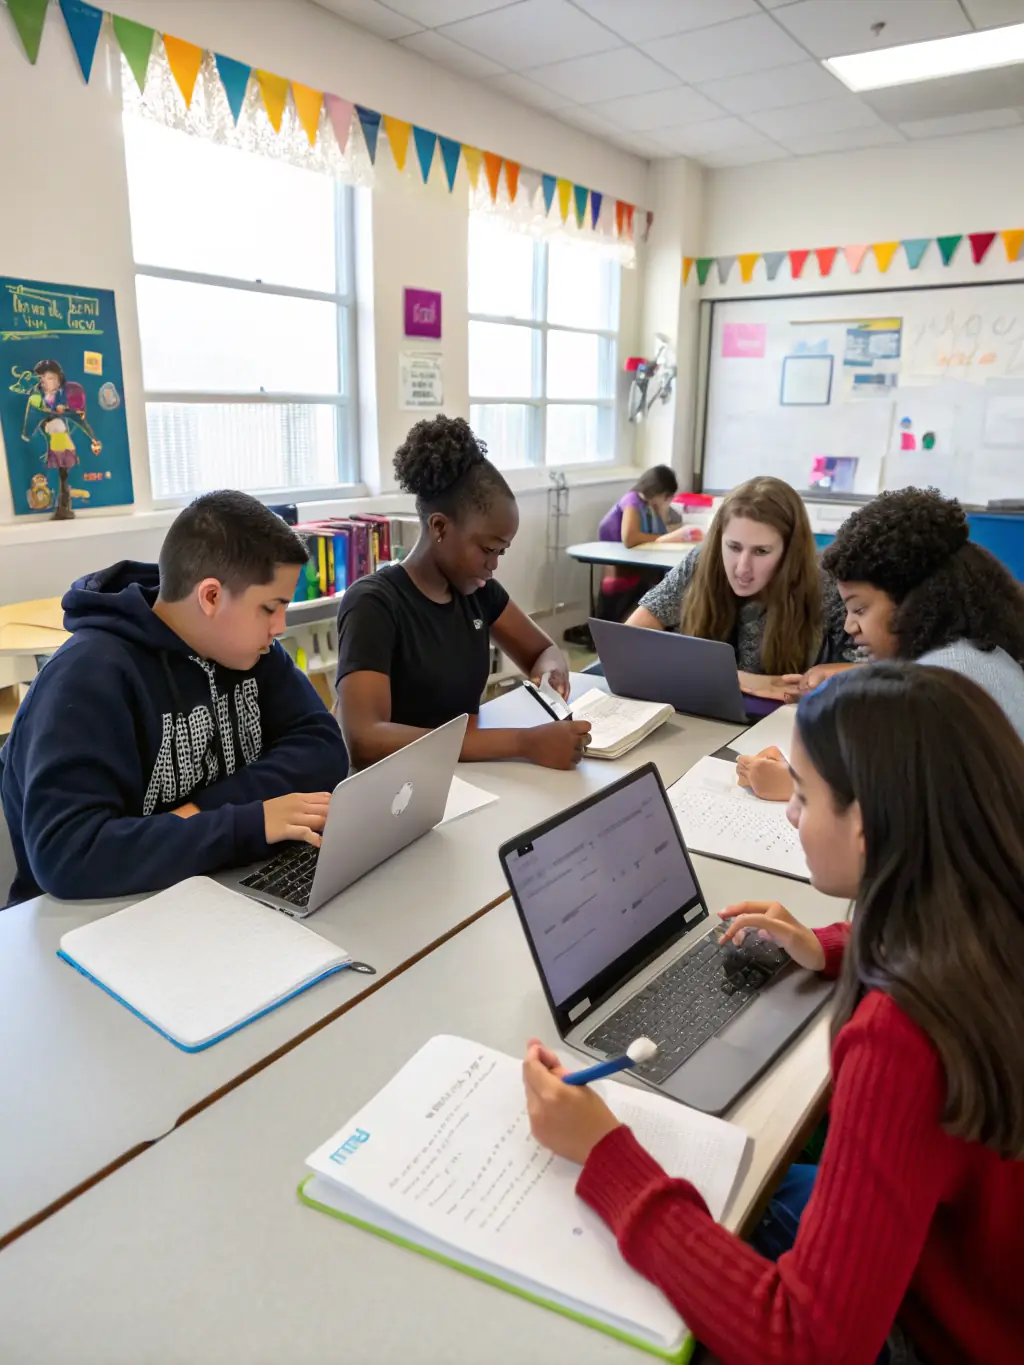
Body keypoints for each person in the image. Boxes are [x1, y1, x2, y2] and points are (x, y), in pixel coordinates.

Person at [524, 663, 1022, 1365]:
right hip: (987, 1273)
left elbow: (806, 1341)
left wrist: (607, 1157)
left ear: (869, 830)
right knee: (757, 1188)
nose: (791, 813)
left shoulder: (902, 1035)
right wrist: (829, 947)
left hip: (950, 1333)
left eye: (807, 796)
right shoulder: (998, 913)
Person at [0, 490, 348, 908]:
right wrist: (248, 823)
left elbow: (323, 749)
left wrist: (200, 812)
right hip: (87, 922)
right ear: (211, 597)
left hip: (202, 887)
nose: (279, 626)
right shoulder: (87, 676)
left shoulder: (250, 652)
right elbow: (68, 855)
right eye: (270, 608)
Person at [335, 416, 589, 771]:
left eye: (501, 552)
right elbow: (366, 741)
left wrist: (552, 674)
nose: (493, 565)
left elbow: (544, 650)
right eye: (487, 549)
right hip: (398, 790)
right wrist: (521, 742)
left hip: (468, 775)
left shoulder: (479, 593)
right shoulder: (374, 603)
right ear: (439, 526)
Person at [739, 487, 1024, 800]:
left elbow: (896, 803)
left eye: (860, 609)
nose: (850, 626)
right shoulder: (972, 653)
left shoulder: (940, 686)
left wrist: (798, 786)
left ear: (915, 602)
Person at [626, 476, 850, 701]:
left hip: (781, 719)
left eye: (761, 551)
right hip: (703, 709)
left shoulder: (824, 582)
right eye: (733, 547)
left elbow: (876, 672)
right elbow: (629, 640)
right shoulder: (703, 560)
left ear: (789, 552)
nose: (742, 568)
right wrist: (738, 679)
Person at [592, 466, 699, 624]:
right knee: (670, 583)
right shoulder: (632, 500)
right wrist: (664, 537)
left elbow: (660, 531)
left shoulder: (647, 506)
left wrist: (661, 511)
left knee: (674, 578)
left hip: (639, 567)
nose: (667, 500)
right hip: (623, 570)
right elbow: (630, 538)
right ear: (656, 490)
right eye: (666, 496)